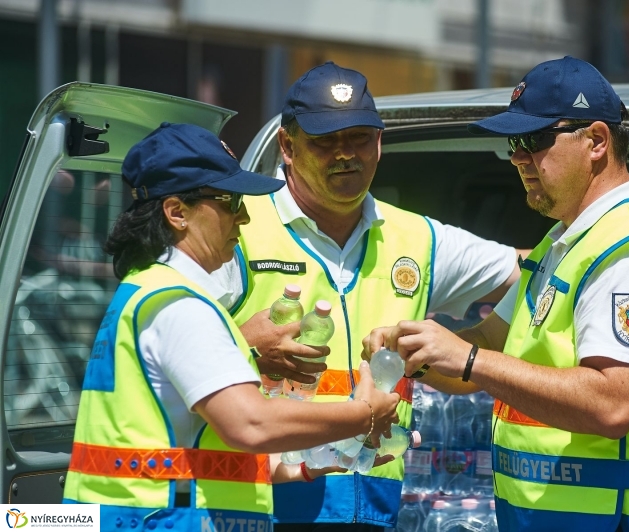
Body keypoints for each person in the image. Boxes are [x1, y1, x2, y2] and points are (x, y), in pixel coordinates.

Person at [366, 56, 629, 532]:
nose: (517, 158)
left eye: (533, 141)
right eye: (513, 144)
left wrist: (469, 359)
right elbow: (487, 345)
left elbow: (612, 404)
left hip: (622, 519)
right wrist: (418, 349)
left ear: (595, 141)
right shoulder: (563, 242)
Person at [215, 61, 522, 531]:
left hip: (377, 507)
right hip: (261, 504)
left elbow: (531, 271)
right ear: (288, 148)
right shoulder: (236, 228)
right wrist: (244, 345)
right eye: (324, 141)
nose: (345, 155)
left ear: (379, 143)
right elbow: (165, 350)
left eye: (358, 138)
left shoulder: (416, 238)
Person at [63, 123, 400, 529]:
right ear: (176, 213)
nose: (243, 217)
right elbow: (250, 423)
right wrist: (362, 415)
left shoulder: (150, 292)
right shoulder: (180, 305)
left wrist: (301, 465)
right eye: (229, 201)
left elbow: (195, 443)